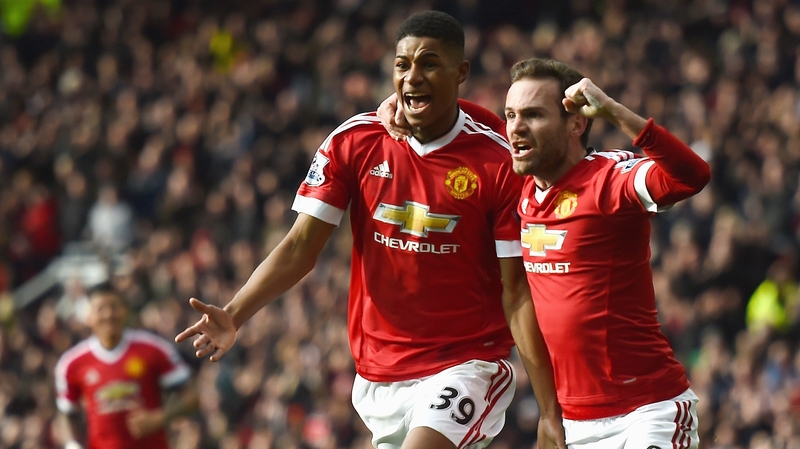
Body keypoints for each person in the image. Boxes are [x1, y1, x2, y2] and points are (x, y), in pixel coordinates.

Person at [176, 11, 565, 449]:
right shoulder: (356, 140)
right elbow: (302, 245)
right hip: (378, 373)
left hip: (466, 365)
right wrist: (235, 313)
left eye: (429, 63)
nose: (412, 76)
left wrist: (551, 413)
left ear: (461, 73)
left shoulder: (497, 162)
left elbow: (517, 293)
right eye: (402, 65)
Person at [378, 57, 712, 448]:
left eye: (533, 115)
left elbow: (692, 176)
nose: (515, 128)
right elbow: (460, 118)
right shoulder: (519, 186)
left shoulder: (610, 179)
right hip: (574, 424)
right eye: (510, 115)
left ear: (576, 122)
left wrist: (614, 111)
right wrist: (403, 100)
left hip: (648, 412)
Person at [55, 282, 198, 449]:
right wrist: (71, 444)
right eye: (101, 309)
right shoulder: (72, 363)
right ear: (89, 316)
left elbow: (192, 397)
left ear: (124, 310)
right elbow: (66, 413)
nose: (108, 314)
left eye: (114, 307)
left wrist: (159, 418)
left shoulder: (153, 349)